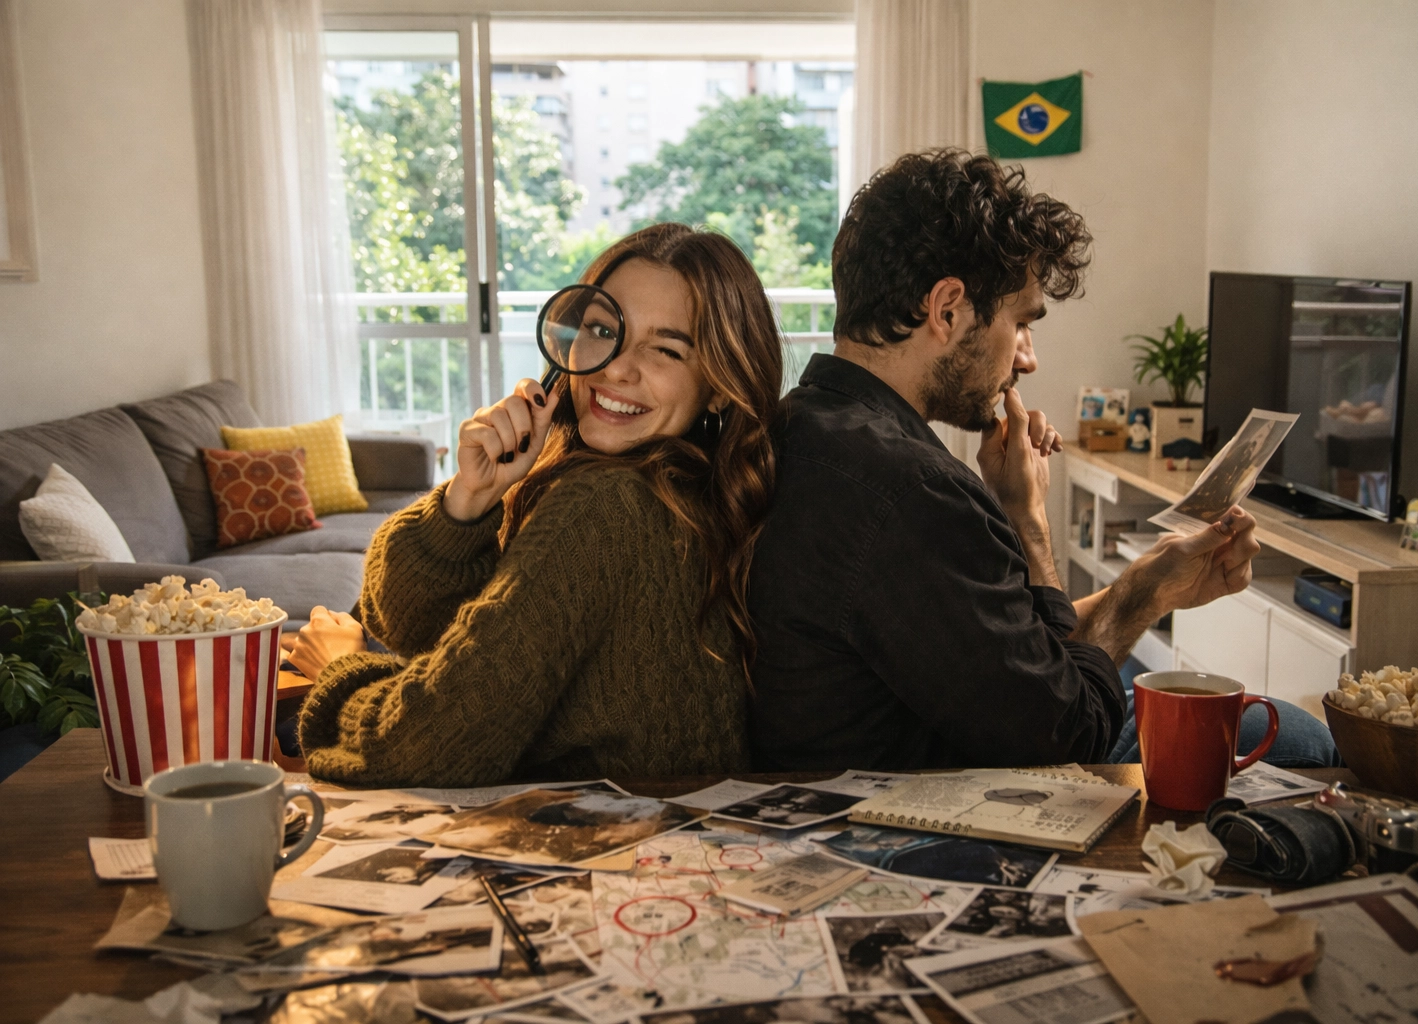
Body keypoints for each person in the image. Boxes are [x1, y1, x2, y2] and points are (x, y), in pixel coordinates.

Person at [747, 149, 1337, 771]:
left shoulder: (803, 426)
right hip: (944, 793)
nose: (1027, 360)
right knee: (1297, 740)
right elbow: (1068, 731)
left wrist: (1148, 583)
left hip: (949, 728)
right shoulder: (915, 492)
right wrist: (1052, 542)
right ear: (946, 309)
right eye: (1020, 322)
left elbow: (1006, 646)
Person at [289, 223, 783, 787]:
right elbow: (424, 627)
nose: (616, 367)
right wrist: (468, 500)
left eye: (666, 349)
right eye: (603, 330)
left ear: (719, 384)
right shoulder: (681, 492)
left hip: (610, 852)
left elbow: (430, 746)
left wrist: (339, 671)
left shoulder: (608, 506)